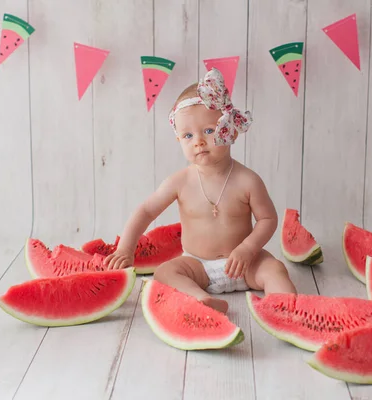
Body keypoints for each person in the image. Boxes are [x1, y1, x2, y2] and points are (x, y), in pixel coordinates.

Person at [103, 68, 297, 314]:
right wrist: (125, 249)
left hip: (246, 263)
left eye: (208, 130)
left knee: (275, 269)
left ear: (230, 129)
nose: (198, 141)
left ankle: (288, 309)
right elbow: (146, 210)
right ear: (179, 141)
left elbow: (268, 219)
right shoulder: (180, 182)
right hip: (199, 266)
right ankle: (200, 298)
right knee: (165, 272)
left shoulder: (248, 180)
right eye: (187, 135)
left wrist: (248, 249)